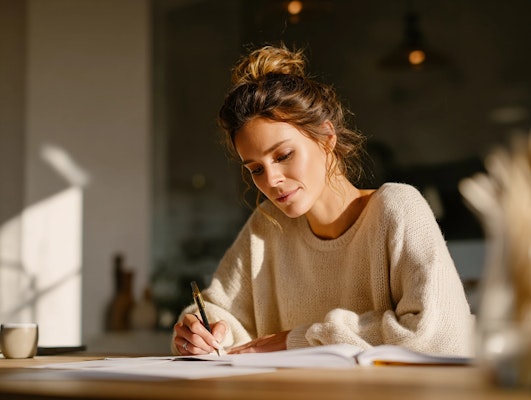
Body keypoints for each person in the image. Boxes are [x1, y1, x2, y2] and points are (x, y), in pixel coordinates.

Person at [171, 44, 475, 357]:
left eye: (284, 155)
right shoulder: (266, 227)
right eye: (256, 169)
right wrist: (198, 333)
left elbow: (442, 335)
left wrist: (306, 338)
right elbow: (222, 316)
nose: (271, 180)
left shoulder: (396, 208)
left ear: (326, 137)